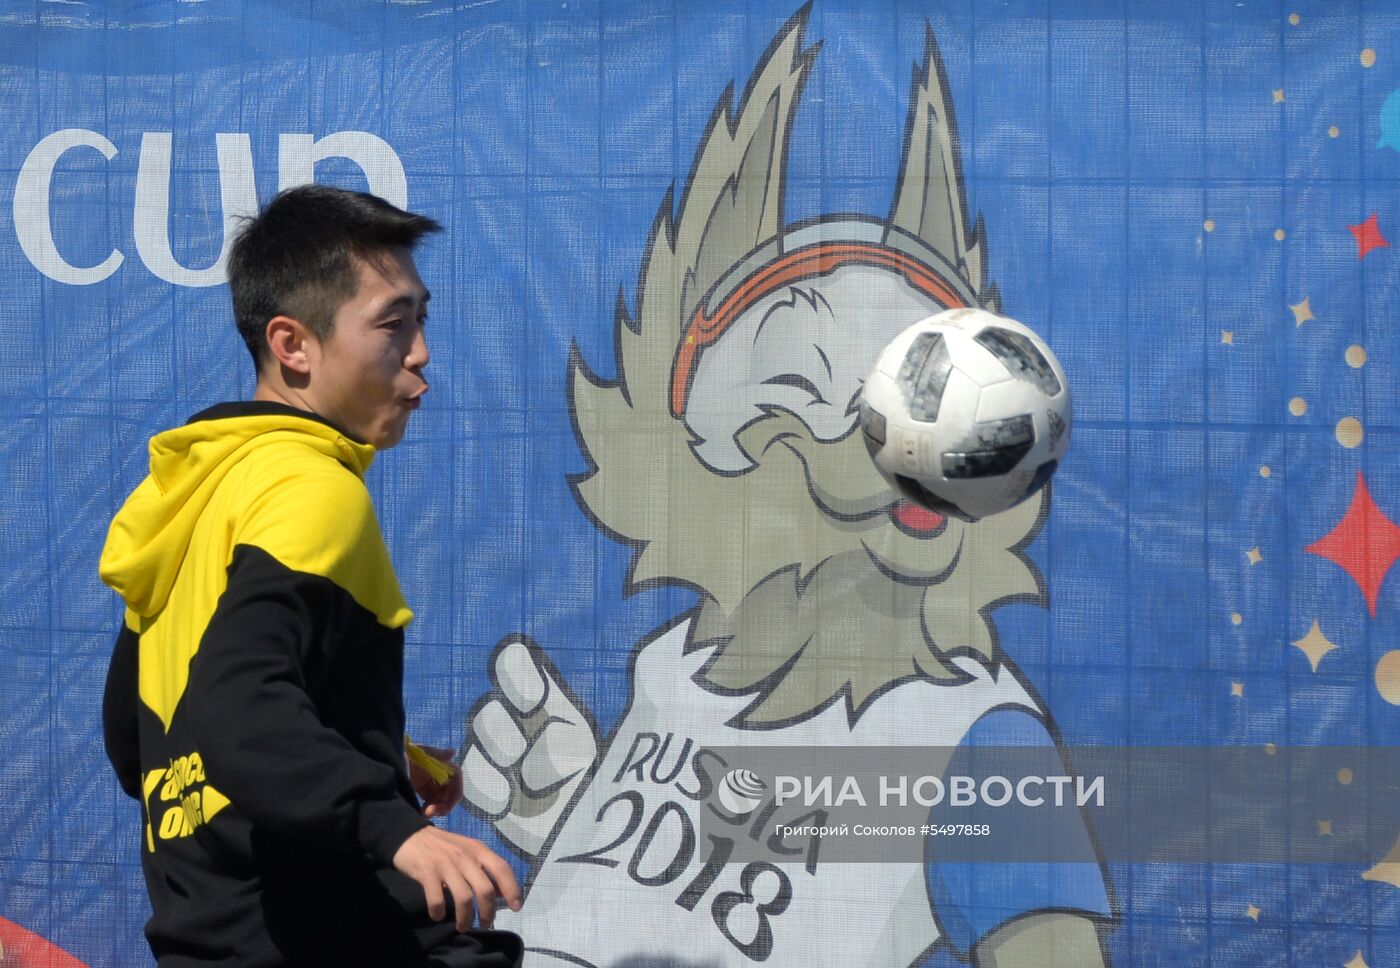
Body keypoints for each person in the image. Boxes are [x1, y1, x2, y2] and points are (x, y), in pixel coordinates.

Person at [99, 185, 524, 967]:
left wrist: (357, 747)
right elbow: (238, 707)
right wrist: (392, 826)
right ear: (293, 344)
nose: (421, 350)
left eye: (421, 319)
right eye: (394, 323)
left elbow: (141, 746)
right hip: (344, 936)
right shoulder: (312, 486)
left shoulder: (190, 496)